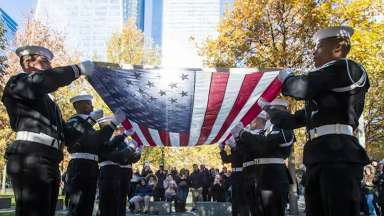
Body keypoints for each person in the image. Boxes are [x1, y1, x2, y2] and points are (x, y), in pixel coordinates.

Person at [264, 26, 370, 215]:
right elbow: (294, 120)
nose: (313, 52)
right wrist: (268, 110)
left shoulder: (346, 67)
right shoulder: (326, 87)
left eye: (318, 47)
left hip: (338, 154)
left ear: (337, 49)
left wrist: (286, 78)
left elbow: (300, 87)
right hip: (320, 155)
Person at [1, 45, 94, 216]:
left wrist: (91, 120)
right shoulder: (18, 83)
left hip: (50, 159)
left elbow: (68, 136)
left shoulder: (51, 104)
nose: (49, 67)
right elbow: (42, 80)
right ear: (27, 62)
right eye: (44, 62)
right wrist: (76, 70)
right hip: (31, 158)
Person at [219, 132, 249, 216]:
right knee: (235, 197)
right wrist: (222, 150)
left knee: (243, 197)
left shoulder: (242, 147)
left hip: (242, 174)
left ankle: (244, 214)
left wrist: (235, 147)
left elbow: (241, 156)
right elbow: (227, 160)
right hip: (235, 174)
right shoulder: (235, 150)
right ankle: (235, 213)